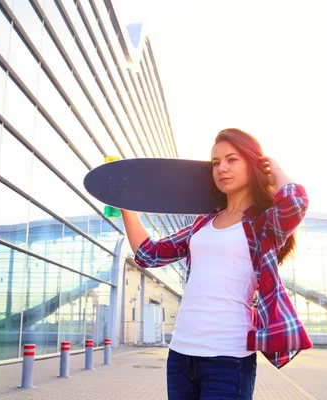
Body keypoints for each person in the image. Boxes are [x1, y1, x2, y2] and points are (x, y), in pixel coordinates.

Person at [121, 128, 312, 399]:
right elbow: (149, 253)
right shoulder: (202, 224)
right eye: (215, 162)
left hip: (229, 357)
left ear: (253, 164)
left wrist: (275, 169)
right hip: (181, 354)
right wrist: (124, 204)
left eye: (232, 159)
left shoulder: (263, 223)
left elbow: (294, 203)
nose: (222, 168)